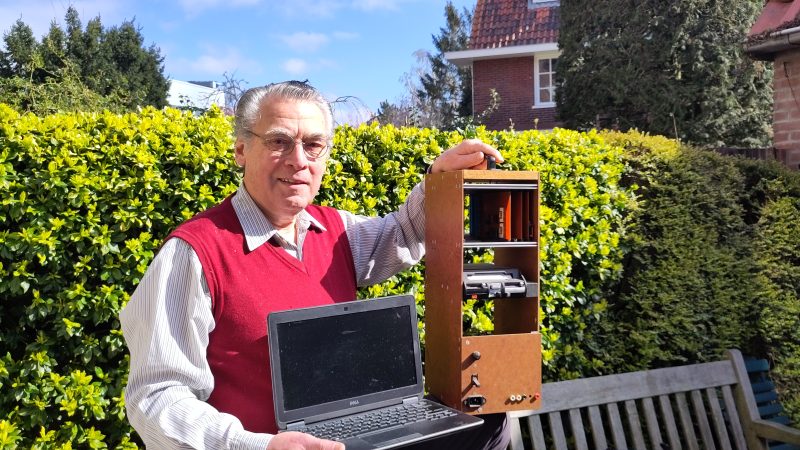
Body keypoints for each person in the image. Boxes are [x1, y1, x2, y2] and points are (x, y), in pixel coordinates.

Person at [120, 81, 507, 450]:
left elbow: (402, 233)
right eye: (278, 142)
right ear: (240, 150)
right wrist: (260, 445)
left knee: (489, 422)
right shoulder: (194, 253)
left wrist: (438, 181)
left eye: (313, 145)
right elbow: (155, 398)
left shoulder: (335, 231)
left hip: (353, 437)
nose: (298, 160)